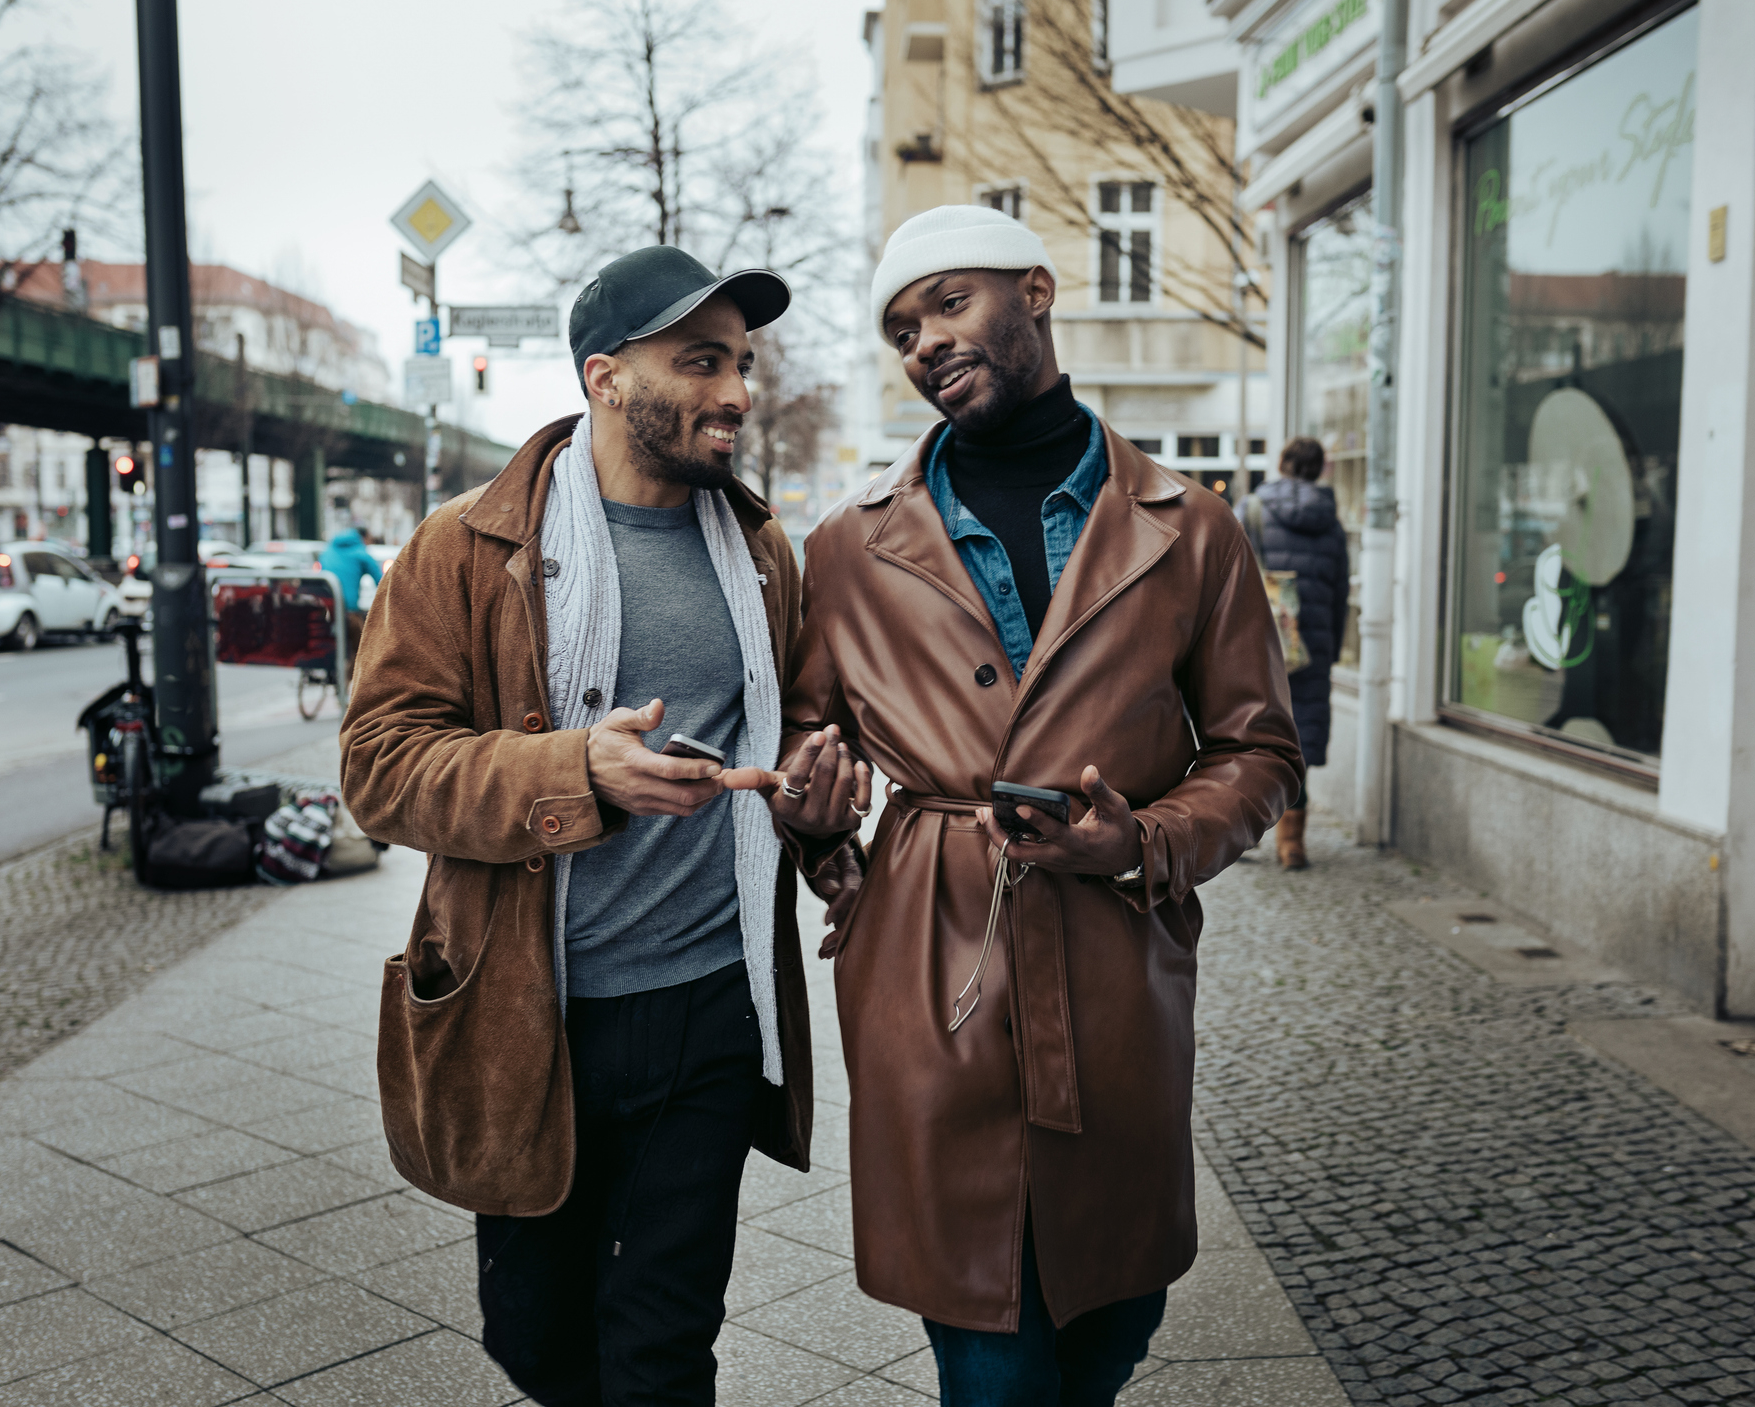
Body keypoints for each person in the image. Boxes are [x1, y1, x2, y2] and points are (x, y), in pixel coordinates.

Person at [780, 204, 1304, 1405]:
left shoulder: (1193, 526)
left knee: (1113, 1318)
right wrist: (818, 816)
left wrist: (1150, 840)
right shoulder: (849, 549)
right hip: (932, 964)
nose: (923, 343)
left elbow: (1259, 748)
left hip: (1115, 964)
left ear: (1037, 289)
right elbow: (812, 737)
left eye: (948, 304)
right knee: (987, 1338)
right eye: (901, 330)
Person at [339, 244, 870, 1406]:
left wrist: (823, 819)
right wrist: (579, 769)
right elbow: (379, 769)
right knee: (536, 1342)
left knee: (662, 1351)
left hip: (710, 1013)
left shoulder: (761, 553)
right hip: (532, 1014)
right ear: (605, 376)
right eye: (698, 361)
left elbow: (785, 755)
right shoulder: (464, 548)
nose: (734, 391)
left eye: (739, 362)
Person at [1243, 437, 1351, 869]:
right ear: (1319, 469)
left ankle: (1244, 832)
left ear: (1282, 464)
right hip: (1311, 644)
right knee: (1299, 740)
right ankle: (1292, 845)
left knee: (1248, 736)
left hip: (1259, 643)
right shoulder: (1332, 522)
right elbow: (1340, 592)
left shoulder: (1252, 509)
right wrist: (1331, 645)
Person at [317, 526, 382, 673]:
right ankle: (348, 681)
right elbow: (381, 581)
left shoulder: (329, 550)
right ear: (364, 538)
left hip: (325, 609)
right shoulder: (360, 552)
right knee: (363, 646)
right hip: (348, 609)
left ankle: (333, 673)